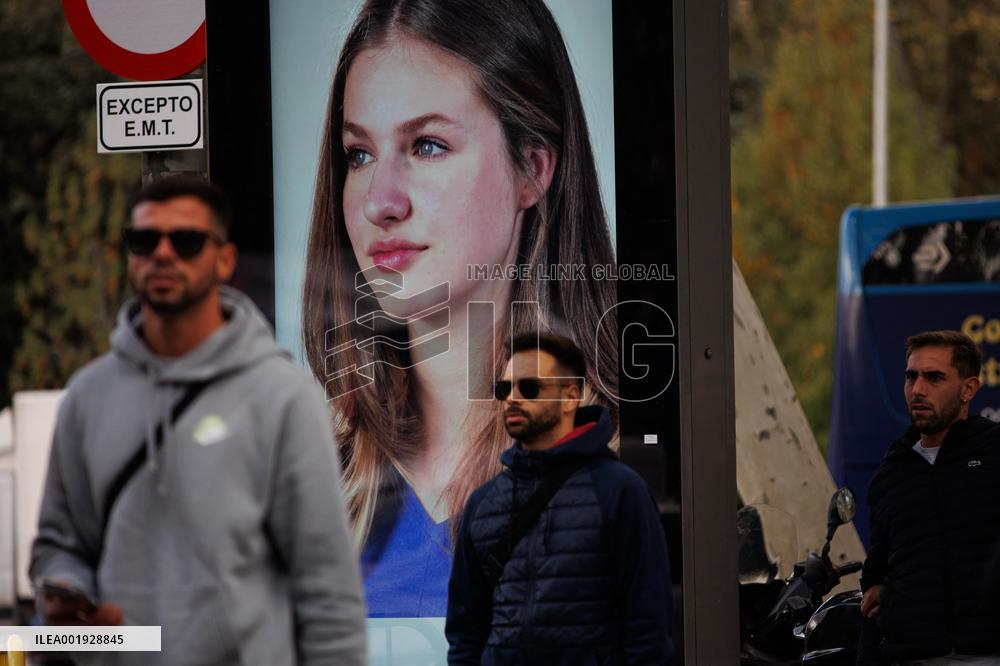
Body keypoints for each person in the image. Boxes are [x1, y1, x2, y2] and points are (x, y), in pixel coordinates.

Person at [302, 0, 619, 617]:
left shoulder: (620, 475)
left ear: (532, 169)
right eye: (359, 154)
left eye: (427, 145)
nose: (380, 202)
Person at [30, 176, 367, 665]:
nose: (163, 254)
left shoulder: (282, 396)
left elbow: (327, 592)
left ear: (224, 260)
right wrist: (68, 597)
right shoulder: (88, 396)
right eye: (144, 241)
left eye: (186, 241)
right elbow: (60, 547)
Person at [445, 332, 672, 664]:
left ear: (570, 397)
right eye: (504, 389)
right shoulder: (483, 503)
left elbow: (648, 631)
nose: (512, 399)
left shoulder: (620, 491)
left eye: (529, 388)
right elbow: (465, 633)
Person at [859, 330, 1000, 664]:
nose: (918, 390)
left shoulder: (995, 452)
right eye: (911, 377)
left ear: (969, 389)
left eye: (934, 377)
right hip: (914, 655)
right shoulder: (892, 473)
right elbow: (877, 575)